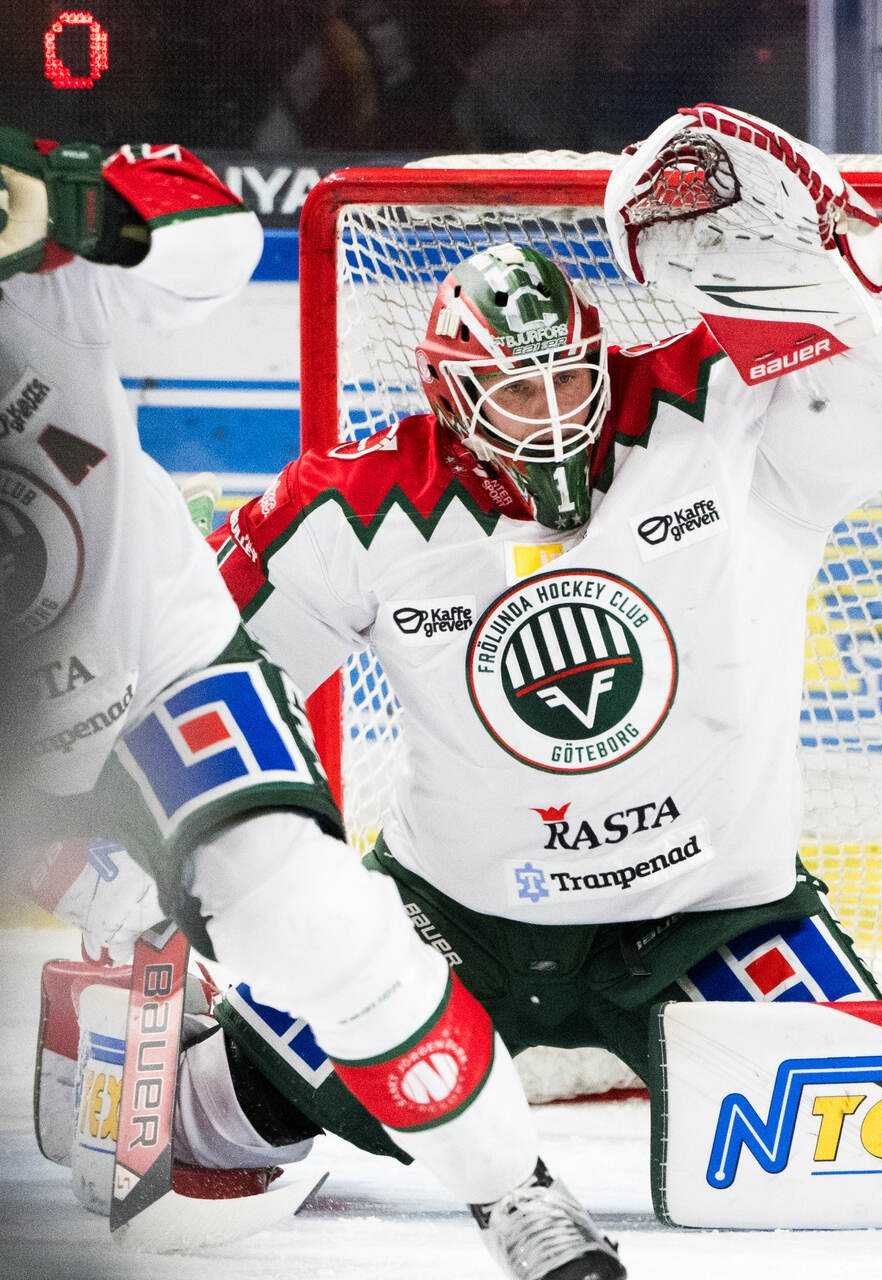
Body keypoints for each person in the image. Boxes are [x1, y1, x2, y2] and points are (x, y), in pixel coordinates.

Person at [188, 102, 882, 1207]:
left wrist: (854, 249)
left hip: (714, 914)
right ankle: (193, 1059)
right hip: (450, 921)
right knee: (235, 1116)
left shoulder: (717, 408)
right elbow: (188, 659)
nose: (555, 413)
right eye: (517, 389)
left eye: (570, 377)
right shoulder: (360, 507)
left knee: (855, 1140)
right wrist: (191, 861)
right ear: (453, 400)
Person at [0, 129, 623, 1280]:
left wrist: (71, 198)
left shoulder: (32, 259)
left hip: (160, 670)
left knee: (322, 925)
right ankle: (141, 979)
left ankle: (515, 1196)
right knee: (121, 894)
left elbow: (211, 238)